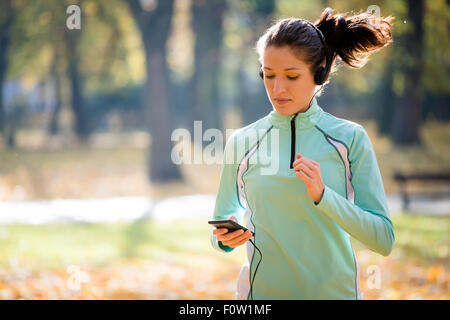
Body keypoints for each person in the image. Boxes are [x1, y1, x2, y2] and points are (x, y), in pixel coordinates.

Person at [210, 7, 395, 300]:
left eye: (291, 76)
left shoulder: (350, 139)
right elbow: (221, 222)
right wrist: (225, 239)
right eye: (268, 75)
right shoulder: (242, 141)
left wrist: (324, 196)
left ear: (318, 73)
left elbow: (383, 239)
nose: (277, 88)